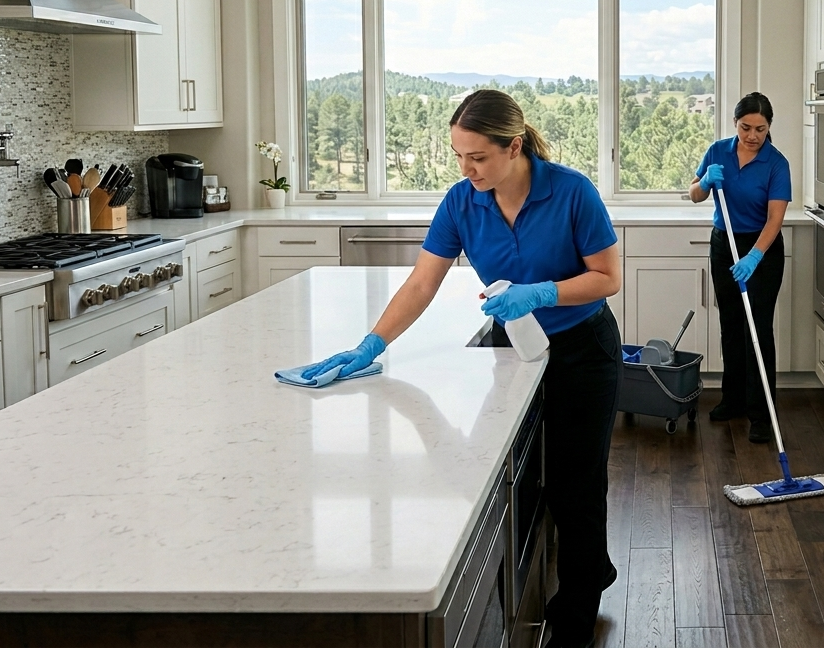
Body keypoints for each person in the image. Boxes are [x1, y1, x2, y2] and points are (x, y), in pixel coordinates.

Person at [304, 89, 622, 648]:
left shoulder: (572, 192)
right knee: (514, 471)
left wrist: (544, 291)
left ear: (514, 147)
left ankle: (576, 609)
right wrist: (370, 344)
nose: (466, 168)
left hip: (582, 350)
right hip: (515, 351)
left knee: (576, 480)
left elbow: (606, 277)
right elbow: (422, 283)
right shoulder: (461, 202)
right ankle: (586, 567)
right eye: (458, 156)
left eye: (477, 157)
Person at [688, 92, 791, 444]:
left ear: (768, 128)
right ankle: (732, 400)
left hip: (760, 250)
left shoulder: (777, 163)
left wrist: (754, 257)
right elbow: (694, 195)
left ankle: (762, 414)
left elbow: (775, 219)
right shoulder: (718, 152)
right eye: (746, 127)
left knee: (758, 330)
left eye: (760, 129)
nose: (752, 135)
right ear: (735, 123)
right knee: (730, 324)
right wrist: (704, 182)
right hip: (724, 243)